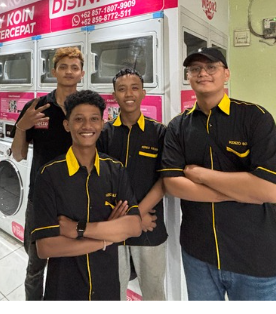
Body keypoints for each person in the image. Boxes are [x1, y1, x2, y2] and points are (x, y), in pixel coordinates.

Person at [160, 47, 276, 301]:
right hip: (199, 254)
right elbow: (172, 184)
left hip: (255, 257)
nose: (202, 73)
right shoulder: (178, 126)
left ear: (226, 74)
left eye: (211, 67)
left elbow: (269, 190)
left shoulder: (255, 118)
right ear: (188, 77)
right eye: (195, 69)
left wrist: (201, 175)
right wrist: (241, 192)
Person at [31, 90, 142, 300]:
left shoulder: (115, 170)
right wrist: (106, 239)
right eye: (79, 119)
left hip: (106, 286)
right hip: (64, 290)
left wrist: (77, 229)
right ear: (67, 125)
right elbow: (46, 247)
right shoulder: (49, 175)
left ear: (102, 123)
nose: (87, 126)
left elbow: (134, 226)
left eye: (94, 119)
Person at [10, 46, 85, 300]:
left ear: (82, 73)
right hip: (41, 199)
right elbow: (18, 155)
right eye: (63, 67)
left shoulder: (86, 108)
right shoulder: (37, 107)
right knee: (35, 266)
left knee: (72, 264)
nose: (68, 72)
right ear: (53, 71)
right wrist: (22, 127)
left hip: (77, 198)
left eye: (74, 67)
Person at [97, 68, 167, 300]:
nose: (129, 94)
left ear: (143, 93)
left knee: (154, 294)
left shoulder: (159, 133)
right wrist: (129, 219)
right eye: (122, 89)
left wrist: (137, 215)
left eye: (135, 88)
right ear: (114, 95)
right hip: (113, 224)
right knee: (112, 293)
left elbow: (165, 180)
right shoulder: (104, 134)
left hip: (149, 226)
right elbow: (98, 181)